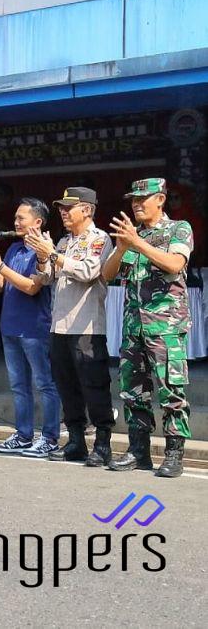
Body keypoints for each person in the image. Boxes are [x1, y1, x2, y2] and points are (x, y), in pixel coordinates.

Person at [103, 178, 195, 478]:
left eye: (143, 198)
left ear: (161, 200)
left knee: (172, 391)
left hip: (165, 326)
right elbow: (107, 275)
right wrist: (120, 249)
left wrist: (138, 243)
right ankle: (138, 450)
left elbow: (174, 264)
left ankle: (173, 452)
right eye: (133, 199)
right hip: (133, 327)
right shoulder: (132, 235)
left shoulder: (178, 229)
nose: (136, 204)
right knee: (133, 393)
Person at [28, 187, 114, 465]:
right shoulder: (64, 241)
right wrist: (43, 257)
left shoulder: (99, 239)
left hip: (87, 325)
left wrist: (53, 255)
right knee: (67, 385)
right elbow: (47, 277)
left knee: (94, 385)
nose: (63, 213)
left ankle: (102, 443)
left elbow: (90, 272)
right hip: (60, 325)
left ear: (86, 210)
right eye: (61, 208)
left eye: (69, 208)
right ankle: (76, 439)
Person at [0, 198, 61, 457]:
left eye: (21, 218)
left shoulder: (45, 251)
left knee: (45, 384)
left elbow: (32, 286)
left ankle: (49, 437)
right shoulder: (14, 248)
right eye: (15, 218)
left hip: (35, 327)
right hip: (10, 326)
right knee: (18, 385)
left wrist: (0, 266)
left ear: (38, 222)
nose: (15, 222)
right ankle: (24, 434)